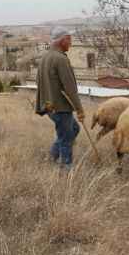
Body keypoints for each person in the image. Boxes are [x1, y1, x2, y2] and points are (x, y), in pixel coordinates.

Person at [35, 27, 85, 169]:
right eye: (69, 39)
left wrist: (47, 101)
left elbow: (39, 82)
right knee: (66, 138)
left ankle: (51, 158)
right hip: (60, 107)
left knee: (73, 129)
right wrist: (80, 110)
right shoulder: (60, 59)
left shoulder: (45, 56)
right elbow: (70, 88)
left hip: (50, 106)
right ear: (62, 40)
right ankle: (66, 170)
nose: (71, 42)